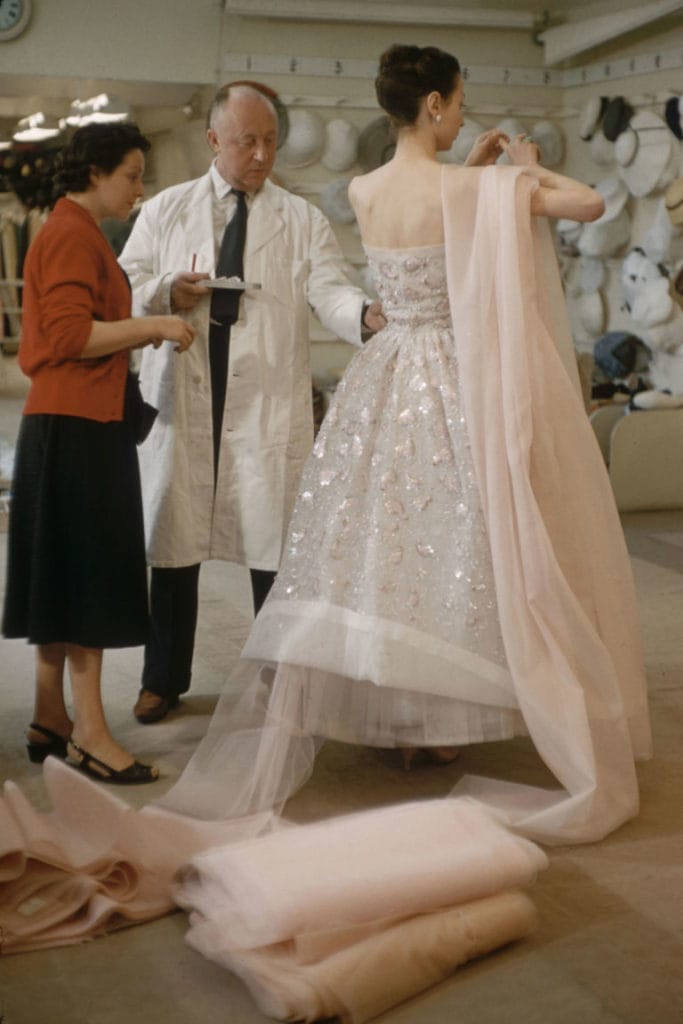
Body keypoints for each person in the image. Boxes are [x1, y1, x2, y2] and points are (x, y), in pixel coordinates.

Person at [161, 44, 652, 845]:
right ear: (432, 105)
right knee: (467, 538)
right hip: (455, 375)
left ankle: (410, 715)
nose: (462, 118)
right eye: (457, 105)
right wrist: (523, 169)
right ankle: (447, 714)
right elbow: (591, 203)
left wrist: (488, 175)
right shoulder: (470, 187)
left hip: (386, 374)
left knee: (385, 547)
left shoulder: (361, 187)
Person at [120, 83, 385, 725]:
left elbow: (327, 287)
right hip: (184, 387)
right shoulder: (164, 210)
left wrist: (365, 316)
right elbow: (124, 285)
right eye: (247, 141)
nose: (261, 154)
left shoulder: (301, 218)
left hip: (263, 397)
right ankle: (163, 679)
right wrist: (165, 290)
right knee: (174, 544)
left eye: (270, 141)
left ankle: (277, 676)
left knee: (274, 548)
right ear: (215, 140)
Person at [2, 123, 195, 784]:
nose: (140, 189)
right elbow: (69, 334)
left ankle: (51, 715)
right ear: (95, 173)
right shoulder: (67, 235)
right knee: (86, 579)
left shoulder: (70, 231)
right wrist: (156, 326)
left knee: (59, 572)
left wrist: (157, 305)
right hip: (78, 423)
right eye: (133, 174)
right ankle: (89, 732)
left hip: (69, 422)